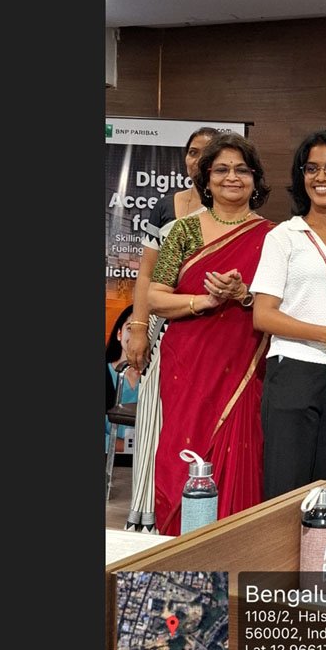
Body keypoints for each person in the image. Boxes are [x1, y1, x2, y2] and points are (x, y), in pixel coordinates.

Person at [148, 131, 276, 536]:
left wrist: (243, 295)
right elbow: (154, 296)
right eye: (221, 169)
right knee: (180, 453)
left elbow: (281, 304)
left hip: (244, 363)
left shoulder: (274, 237)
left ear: (255, 179)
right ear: (205, 178)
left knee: (241, 449)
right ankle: (179, 542)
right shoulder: (184, 231)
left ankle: (234, 546)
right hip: (187, 361)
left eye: (242, 170)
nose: (231, 177)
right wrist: (203, 301)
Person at [251, 129, 326, 519]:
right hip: (294, 370)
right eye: (312, 168)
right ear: (301, 175)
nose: (321, 177)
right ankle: (279, 561)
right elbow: (263, 315)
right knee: (286, 489)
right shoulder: (283, 236)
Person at [123, 126, 219, 533]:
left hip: (214, 334)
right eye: (192, 152)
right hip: (165, 330)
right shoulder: (167, 208)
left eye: (208, 153)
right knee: (156, 421)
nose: (198, 159)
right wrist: (138, 328)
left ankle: (200, 515)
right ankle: (150, 515)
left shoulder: (233, 212)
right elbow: (146, 277)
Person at [105, 304, 140, 454]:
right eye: (130, 328)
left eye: (144, 331)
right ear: (119, 334)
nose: (137, 338)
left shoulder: (158, 379)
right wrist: (130, 447)